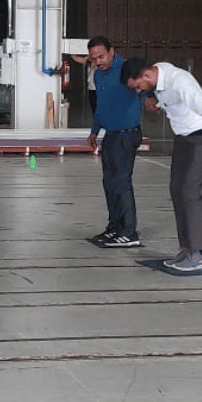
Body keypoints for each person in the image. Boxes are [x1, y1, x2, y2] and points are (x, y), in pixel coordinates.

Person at [121, 57, 202, 271]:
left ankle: (200, 254)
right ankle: (187, 249)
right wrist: (157, 101)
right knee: (177, 190)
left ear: (146, 75)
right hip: (183, 138)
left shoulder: (180, 81)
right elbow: (167, 95)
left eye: (138, 87)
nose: (138, 91)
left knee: (189, 191)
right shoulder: (159, 74)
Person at [87, 36, 144, 247]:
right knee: (110, 183)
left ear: (112, 51)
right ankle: (114, 227)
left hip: (126, 134)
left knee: (121, 182)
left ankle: (129, 232)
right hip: (110, 135)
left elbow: (145, 89)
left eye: (101, 56)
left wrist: (150, 101)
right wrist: (94, 131)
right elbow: (101, 106)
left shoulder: (127, 69)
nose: (98, 62)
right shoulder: (98, 75)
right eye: (93, 59)